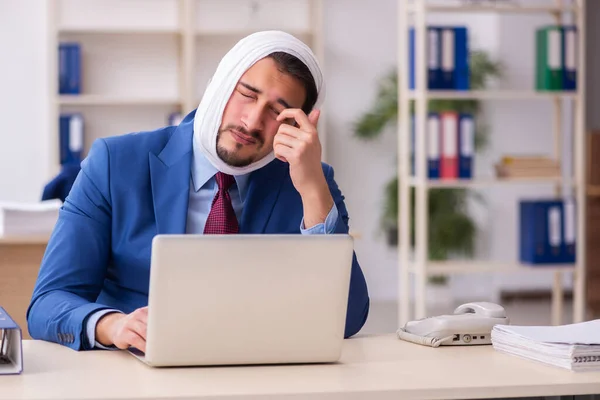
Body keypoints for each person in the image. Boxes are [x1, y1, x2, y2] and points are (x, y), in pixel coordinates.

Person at [27, 31, 370, 352]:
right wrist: (111, 325)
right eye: (247, 95)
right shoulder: (115, 162)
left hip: (256, 371)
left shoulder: (309, 180)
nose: (251, 122)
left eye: (277, 113)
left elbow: (348, 319)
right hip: (137, 372)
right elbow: (49, 302)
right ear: (219, 87)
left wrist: (312, 190)